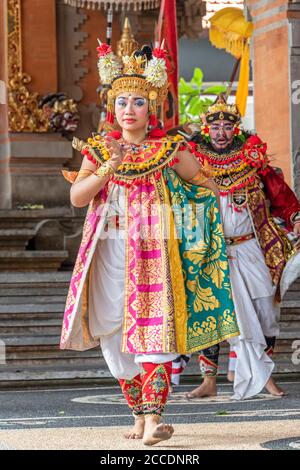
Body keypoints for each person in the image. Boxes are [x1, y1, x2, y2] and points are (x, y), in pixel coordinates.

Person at [60, 45, 239, 445]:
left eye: (138, 102)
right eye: (122, 101)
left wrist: (219, 208)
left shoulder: (169, 150)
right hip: (108, 253)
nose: (130, 109)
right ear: (112, 106)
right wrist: (111, 165)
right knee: (112, 333)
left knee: (154, 333)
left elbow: (202, 184)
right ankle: (140, 418)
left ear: (151, 107)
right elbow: (78, 197)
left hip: (154, 254)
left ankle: (155, 419)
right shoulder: (99, 149)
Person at [171, 94, 300, 400]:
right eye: (214, 127)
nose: (220, 133)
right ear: (206, 128)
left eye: (227, 127)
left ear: (236, 129)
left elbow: (283, 198)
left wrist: (296, 218)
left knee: (266, 310)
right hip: (210, 251)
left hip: (253, 248)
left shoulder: (253, 161)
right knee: (212, 312)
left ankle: (263, 371)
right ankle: (209, 381)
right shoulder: (192, 161)